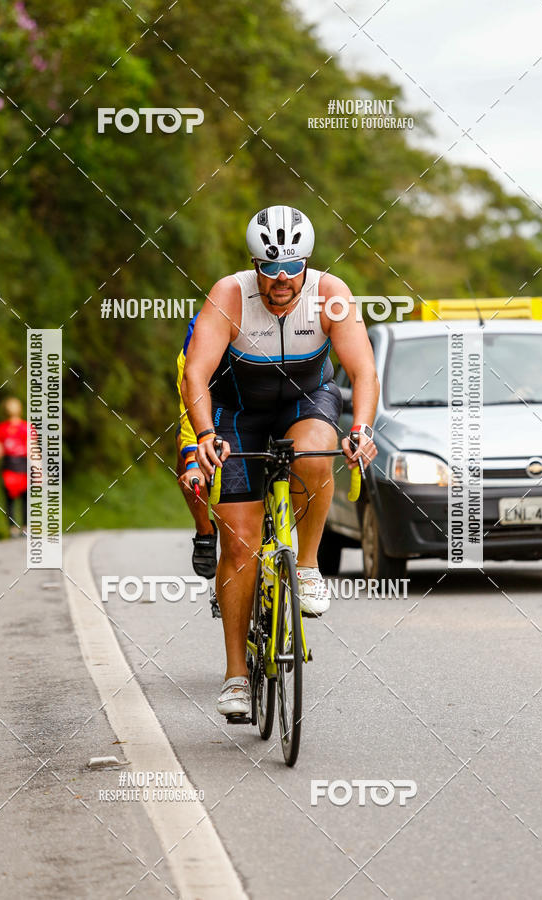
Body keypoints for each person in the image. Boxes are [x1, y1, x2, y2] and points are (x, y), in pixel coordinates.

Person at [182, 205, 380, 717]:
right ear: (254, 266)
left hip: (306, 401)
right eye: (270, 269)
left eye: (293, 268)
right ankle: (234, 676)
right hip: (237, 413)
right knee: (241, 545)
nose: (282, 280)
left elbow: (362, 371)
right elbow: (196, 374)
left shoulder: (331, 295)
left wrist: (360, 428)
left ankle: (308, 565)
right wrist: (204, 433)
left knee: (316, 451)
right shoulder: (230, 295)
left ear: (307, 265)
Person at [175, 313, 217, 578]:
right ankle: (205, 531)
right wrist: (192, 458)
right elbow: (190, 403)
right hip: (208, 404)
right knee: (188, 460)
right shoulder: (200, 336)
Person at [0, 397, 29, 537]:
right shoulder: (27, 427)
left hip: (8, 467)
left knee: (10, 500)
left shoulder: (0, 429)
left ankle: (12, 528)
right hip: (24, 467)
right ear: (20, 409)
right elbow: (33, 451)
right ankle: (25, 527)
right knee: (26, 499)